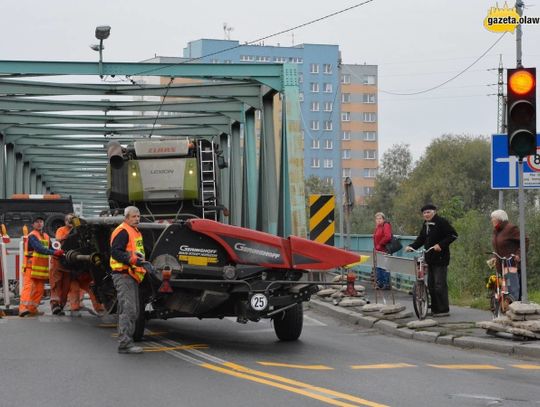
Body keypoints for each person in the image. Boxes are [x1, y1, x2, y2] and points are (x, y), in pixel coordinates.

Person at [405, 204, 458, 317]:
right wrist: (411, 246)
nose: (426, 215)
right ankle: (435, 309)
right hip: (430, 258)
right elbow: (421, 239)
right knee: (431, 285)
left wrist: (441, 245)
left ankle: (443, 310)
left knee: (440, 285)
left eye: (428, 212)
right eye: (424, 213)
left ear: (434, 212)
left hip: (441, 258)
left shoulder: (441, 222)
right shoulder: (426, 224)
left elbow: (453, 235)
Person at [109, 206, 147, 354]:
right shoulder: (123, 231)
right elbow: (115, 252)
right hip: (123, 274)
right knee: (128, 310)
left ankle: (126, 341)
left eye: (138, 216)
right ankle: (125, 344)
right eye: (134, 216)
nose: (137, 219)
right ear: (126, 218)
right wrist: (132, 259)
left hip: (131, 275)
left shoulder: (134, 231)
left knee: (132, 310)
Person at [19, 216, 64, 317]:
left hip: (40, 269)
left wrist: (60, 251)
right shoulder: (32, 236)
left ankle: (32, 309)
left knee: (39, 290)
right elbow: (39, 248)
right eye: (37, 222)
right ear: (33, 224)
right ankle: (22, 309)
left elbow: (52, 247)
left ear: (43, 224)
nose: (39, 223)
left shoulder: (46, 236)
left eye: (41, 222)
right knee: (29, 288)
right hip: (30, 267)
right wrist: (55, 252)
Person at [489, 209, 524, 301]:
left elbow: (525, 240)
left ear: (499, 219)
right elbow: (499, 246)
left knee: (513, 289)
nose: (491, 220)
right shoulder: (496, 231)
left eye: (493, 218)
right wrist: (494, 257)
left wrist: (518, 255)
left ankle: (514, 308)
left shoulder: (511, 228)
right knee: (504, 288)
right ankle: (504, 308)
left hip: (511, 264)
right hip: (501, 264)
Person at [49, 213, 74, 315]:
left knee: (66, 287)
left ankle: (61, 306)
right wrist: (69, 234)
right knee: (56, 284)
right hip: (58, 261)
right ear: (65, 221)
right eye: (69, 220)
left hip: (69, 262)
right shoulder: (61, 230)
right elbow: (59, 240)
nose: (71, 222)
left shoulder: (77, 230)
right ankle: (55, 305)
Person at [373, 212, 392, 290]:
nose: (378, 220)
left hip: (384, 249)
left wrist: (380, 244)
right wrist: (375, 247)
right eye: (377, 219)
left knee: (384, 267)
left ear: (383, 219)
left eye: (380, 218)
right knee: (379, 267)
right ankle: (380, 283)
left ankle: (386, 284)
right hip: (378, 250)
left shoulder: (386, 225)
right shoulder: (377, 227)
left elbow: (388, 236)